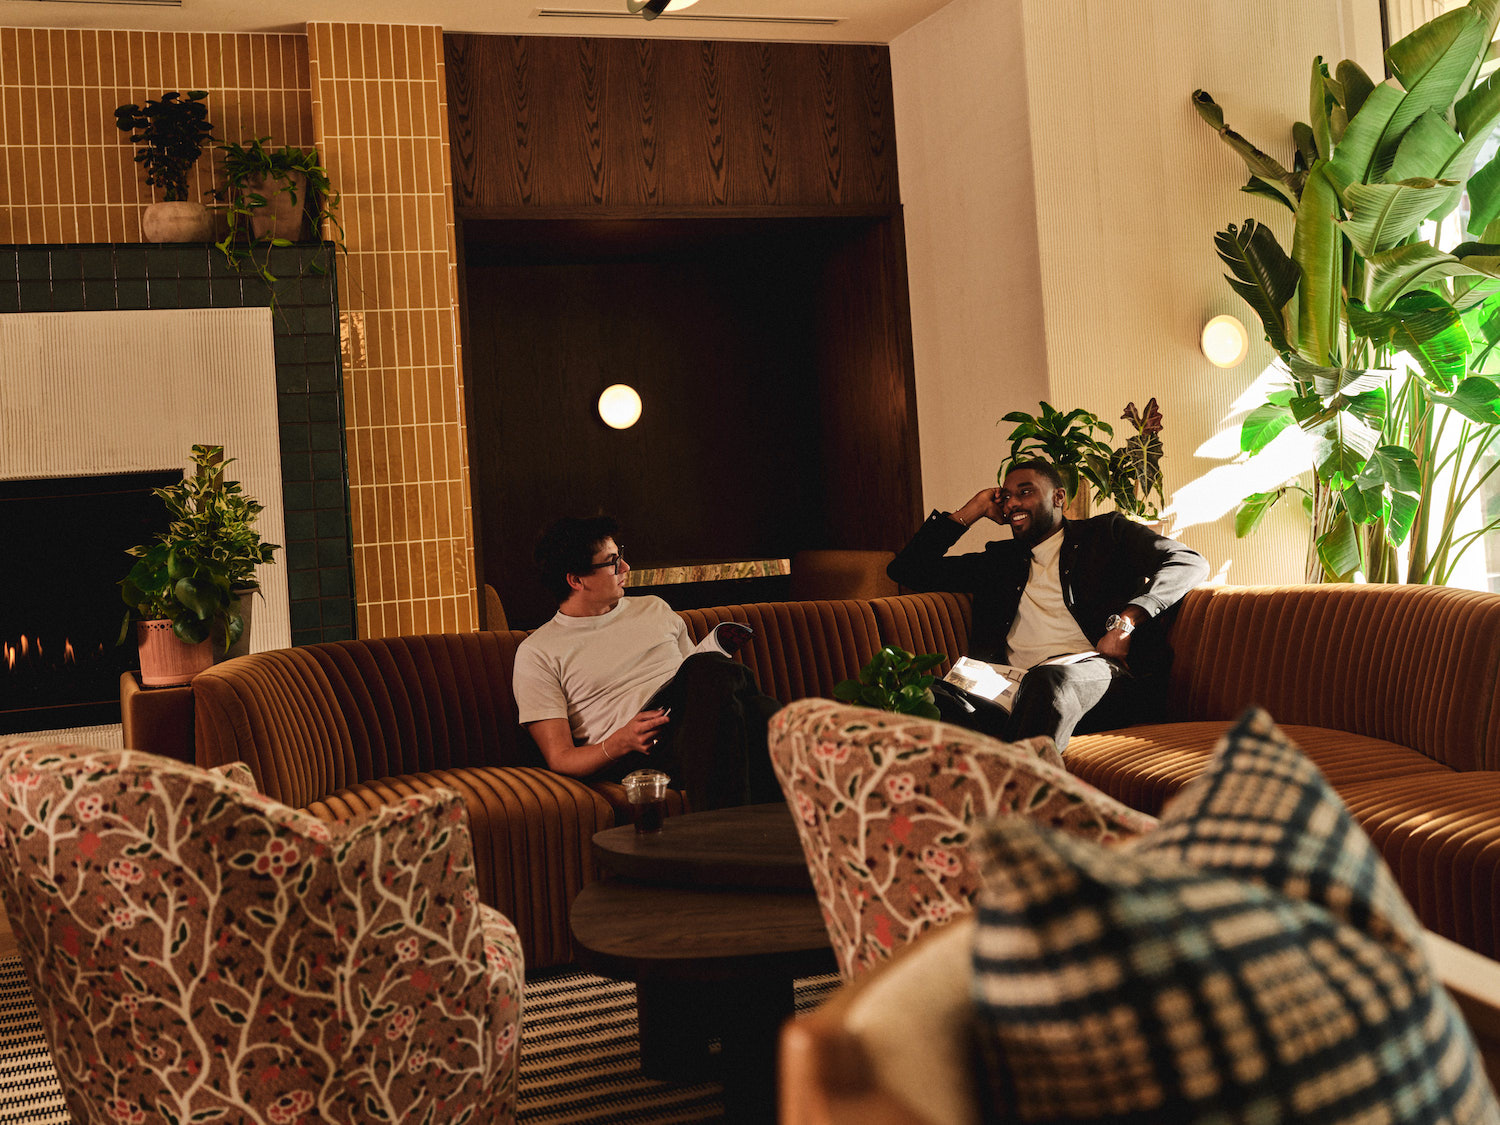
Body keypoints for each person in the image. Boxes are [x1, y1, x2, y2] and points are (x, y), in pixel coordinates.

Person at [887, 458, 1209, 750]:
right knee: (922, 694)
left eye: (1025, 492)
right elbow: (907, 571)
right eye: (1006, 496)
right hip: (1008, 689)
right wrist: (972, 510)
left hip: (1092, 678)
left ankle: (1018, 794)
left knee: (1046, 681)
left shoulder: (1105, 535)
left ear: (1059, 498)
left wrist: (1127, 621)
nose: (1013, 503)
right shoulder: (999, 562)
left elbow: (1188, 562)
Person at [512, 515, 781, 809]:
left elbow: (699, 680)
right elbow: (560, 758)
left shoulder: (654, 608)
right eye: (612, 561)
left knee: (744, 702)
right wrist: (620, 741)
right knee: (755, 709)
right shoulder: (537, 653)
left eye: (621, 556)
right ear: (576, 580)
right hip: (640, 748)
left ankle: (731, 836)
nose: (625, 567)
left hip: (694, 721)